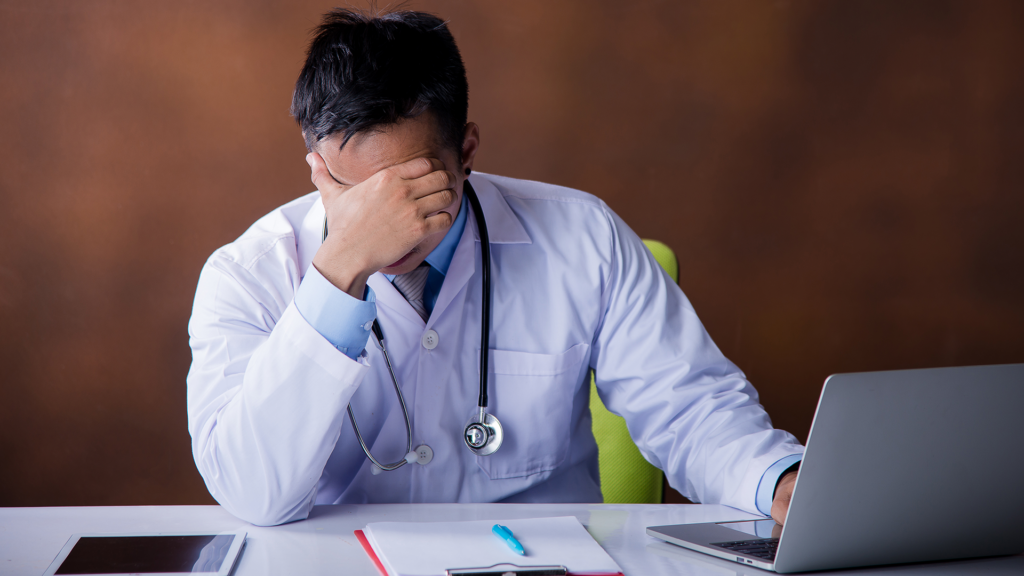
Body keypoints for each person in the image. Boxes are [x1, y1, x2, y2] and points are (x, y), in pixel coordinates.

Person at [187, 8, 803, 527]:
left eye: (414, 188)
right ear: (316, 167)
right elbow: (252, 494)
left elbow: (691, 407)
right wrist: (340, 268)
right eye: (355, 192)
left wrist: (777, 482)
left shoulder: (585, 238)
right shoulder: (247, 274)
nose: (388, 219)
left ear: (467, 152)